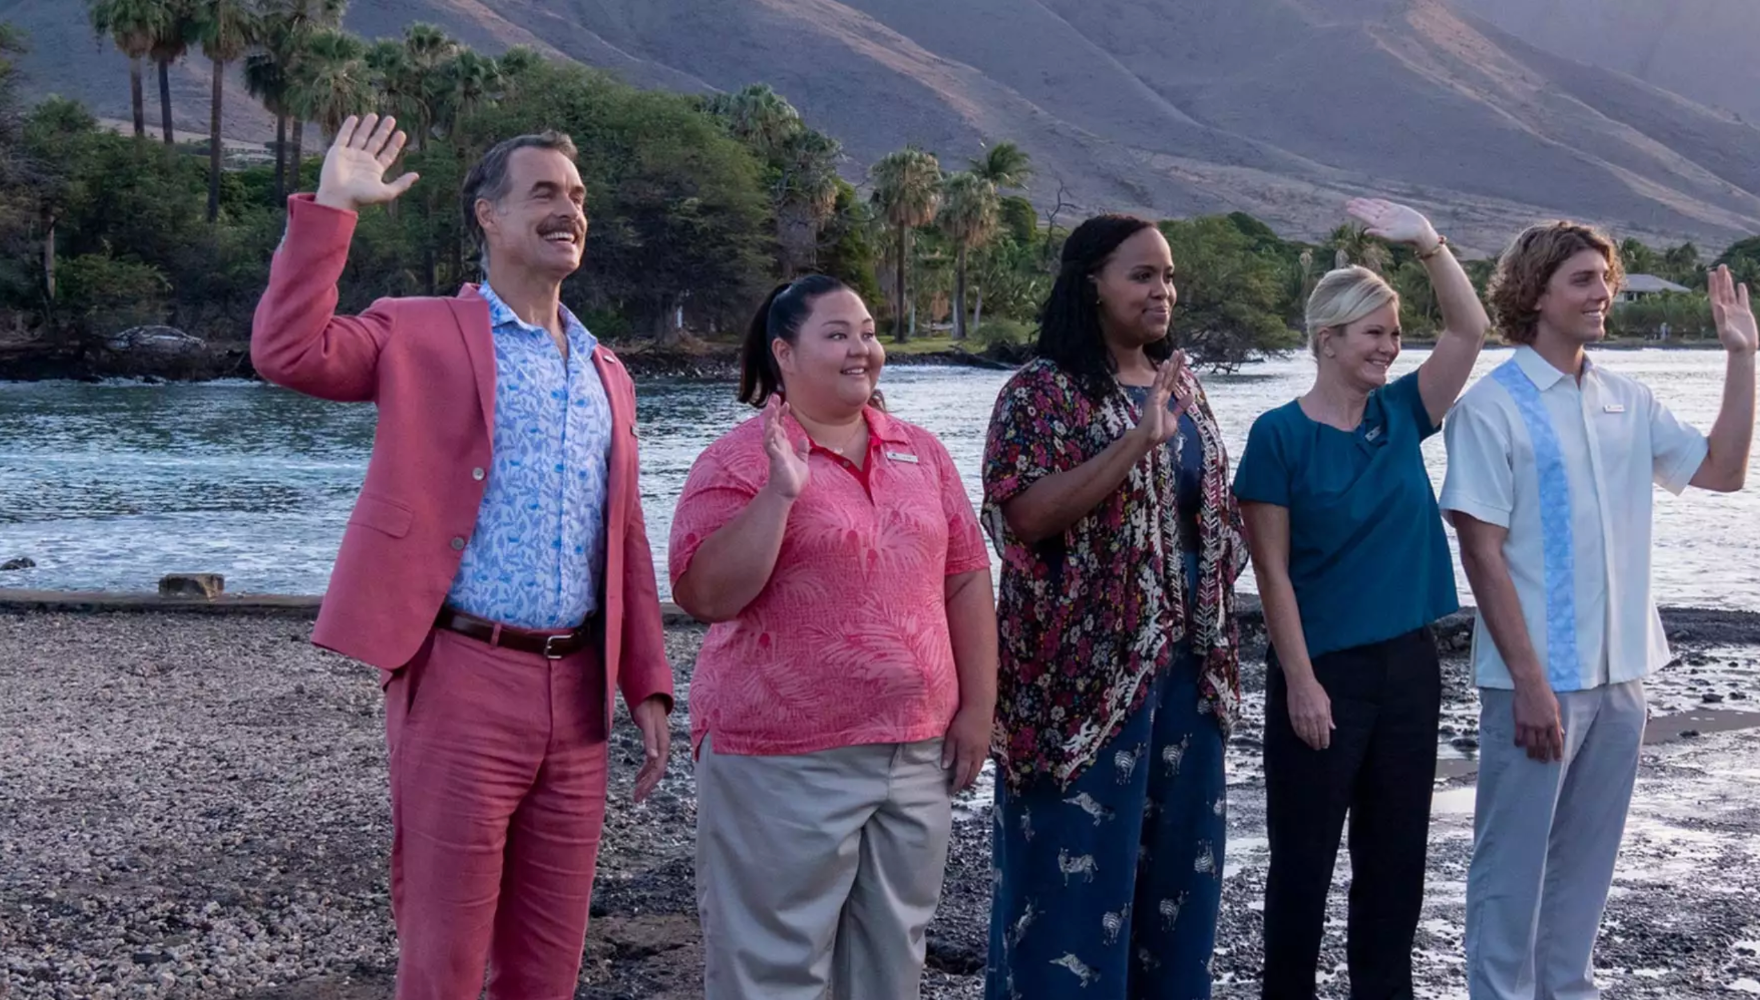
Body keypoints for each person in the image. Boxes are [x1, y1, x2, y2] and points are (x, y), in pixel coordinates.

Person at [250, 115, 675, 1000]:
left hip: (580, 689)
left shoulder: (607, 370)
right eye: (545, 194)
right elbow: (289, 352)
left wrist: (649, 687)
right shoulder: (418, 330)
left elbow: (623, 538)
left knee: (547, 965)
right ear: (487, 215)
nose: (570, 212)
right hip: (460, 673)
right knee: (443, 958)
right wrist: (331, 210)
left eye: (579, 197)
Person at [1440, 223, 1759, 1000]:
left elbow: (1723, 471)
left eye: (1605, 278)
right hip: (1535, 681)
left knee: (1586, 873)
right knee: (1510, 872)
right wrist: (1531, 683)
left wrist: (1741, 358)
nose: (1602, 293)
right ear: (1536, 294)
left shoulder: (1628, 397)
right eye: (1583, 280)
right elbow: (1481, 552)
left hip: (1623, 680)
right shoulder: (1490, 408)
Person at [667, 275, 997, 1000]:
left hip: (916, 750)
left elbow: (968, 578)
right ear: (784, 353)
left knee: (890, 962)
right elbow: (704, 596)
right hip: (782, 758)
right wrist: (779, 494)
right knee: (775, 968)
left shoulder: (922, 452)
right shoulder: (737, 460)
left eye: (870, 332)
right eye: (838, 334)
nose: (863, 349)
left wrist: (979, 709)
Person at [980, 214, 1247, 999]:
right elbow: (1023, 516)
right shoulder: (1040, 391)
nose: (1162, 290)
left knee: (1177, 892)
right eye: (1142, 275)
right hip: (1078, 688)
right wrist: (1135, 443)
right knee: (1067, 897)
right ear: (1091, 282)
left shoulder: (1182, 384)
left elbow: (1206, 509)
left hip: (1188, 677)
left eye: (1168, 276)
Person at [1232, 198, 1489, 999]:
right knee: (1304, 862)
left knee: (1395, 858)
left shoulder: (1401, 416)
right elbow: (1270, 574)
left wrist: (1428, 245)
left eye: (1394, 330)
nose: (1391, 344)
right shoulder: (1279, 435)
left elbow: (1469, 332)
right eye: (1374, 332)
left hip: (1410, 669)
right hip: (1324, 674)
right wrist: (1301, 681)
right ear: (1328, 340)